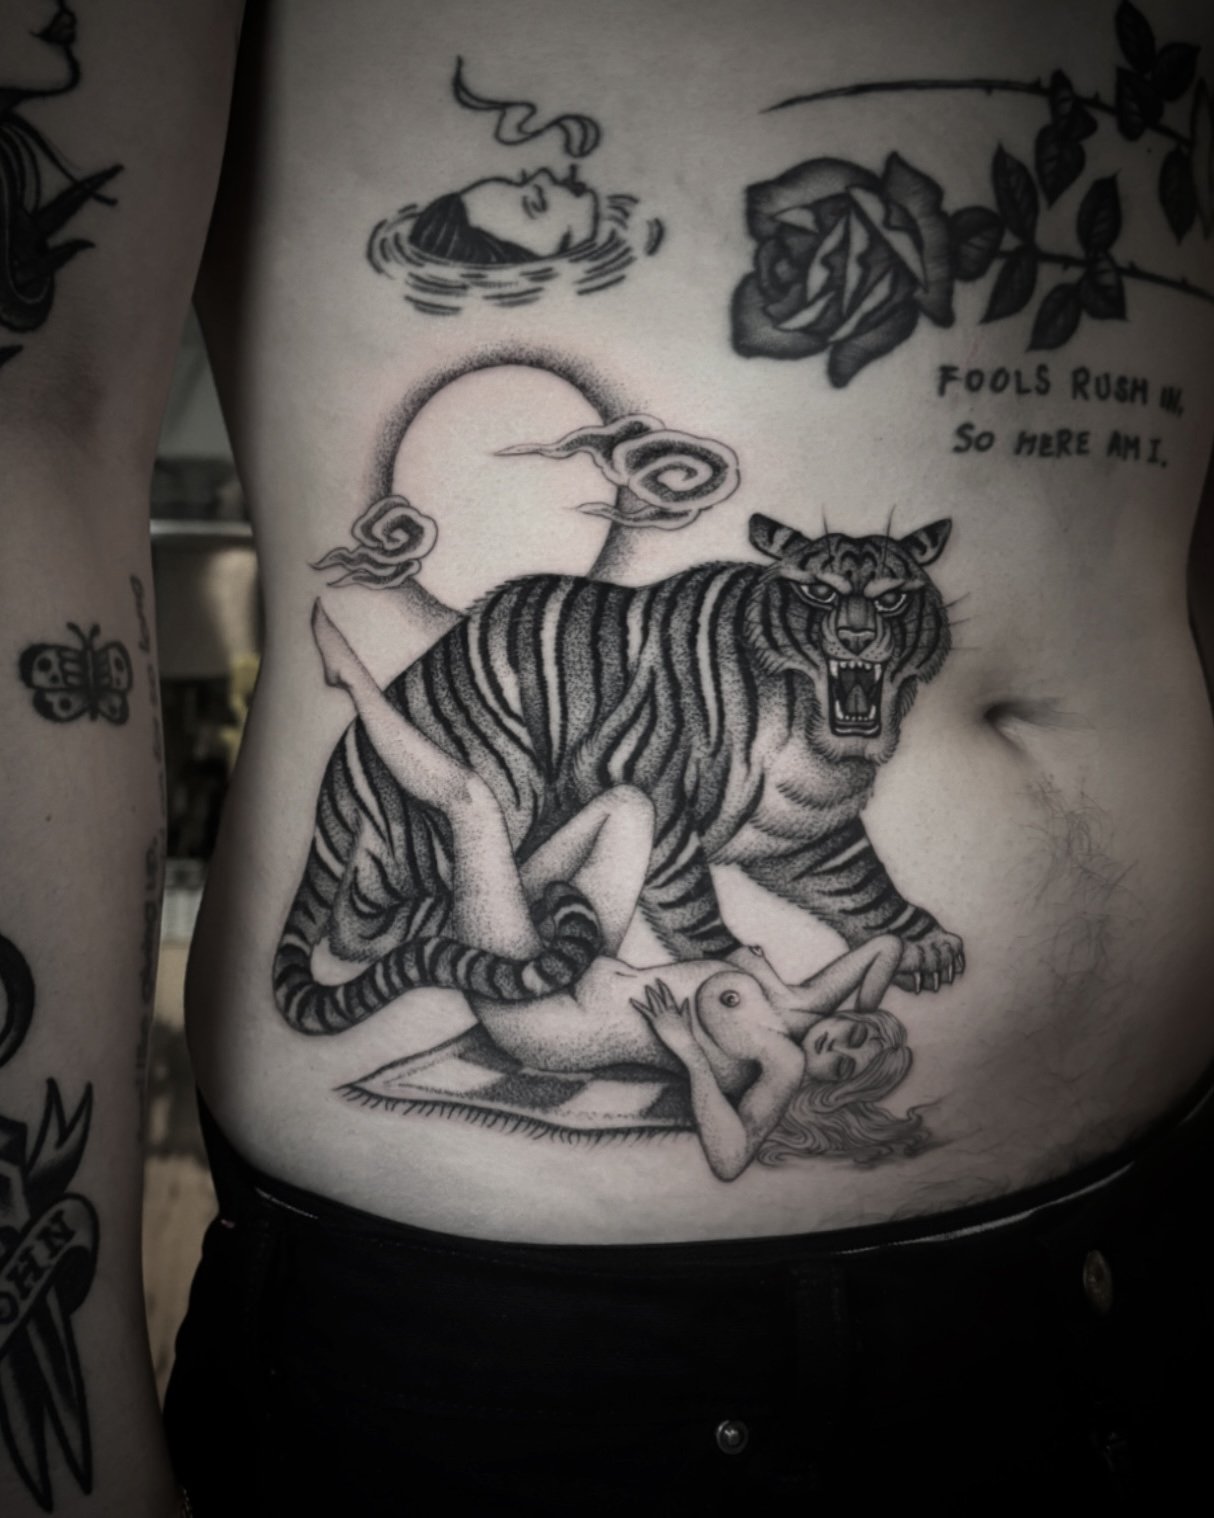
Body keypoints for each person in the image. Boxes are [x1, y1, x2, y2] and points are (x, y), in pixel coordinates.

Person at [2, 3, 1214, 1515]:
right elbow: (28, 420)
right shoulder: (691, 678)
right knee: (577, 810)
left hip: (1161, 1217)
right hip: (558, 1350)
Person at [310, 598, 924, 1180]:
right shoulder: (804, 1006)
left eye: (844, 1064)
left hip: (541, 1010)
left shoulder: (782, 1063)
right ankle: (493, 902)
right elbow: (886, 948)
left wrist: (688, 1054)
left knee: (472, 805)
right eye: (860, 1038)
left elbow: (730, 1160)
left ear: (834, 1088)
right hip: (581, 954)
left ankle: (354, 682)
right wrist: (867, 1010)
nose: (840, 1043)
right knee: (630, 806)